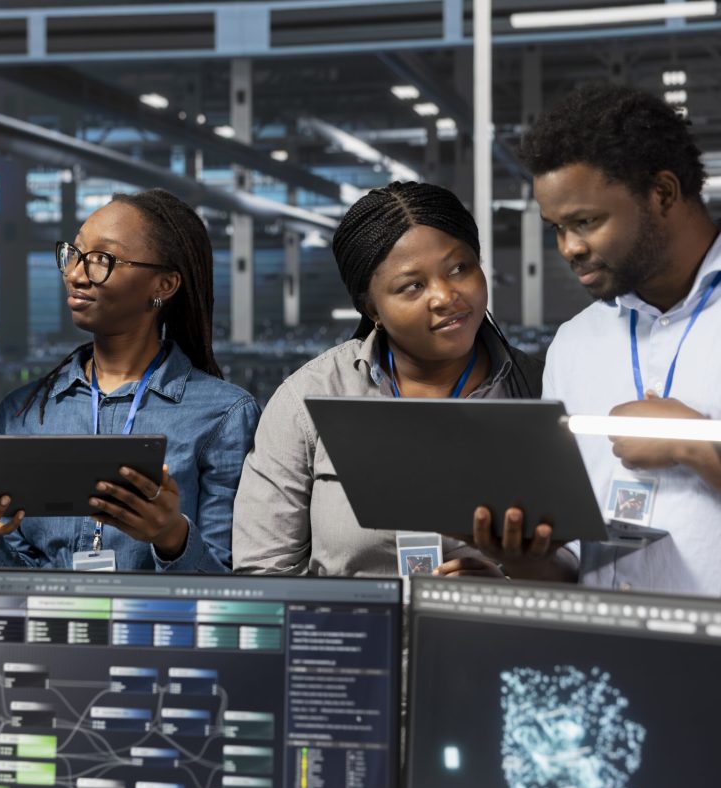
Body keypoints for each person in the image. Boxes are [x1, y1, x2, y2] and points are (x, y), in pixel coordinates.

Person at [233, 181, 570, 580]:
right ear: (371, 307)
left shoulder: (544, 391)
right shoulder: (307, 400)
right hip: (351, 635)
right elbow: (263, 570)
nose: (446, 296)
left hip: (496, 636)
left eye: (460, 268)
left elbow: (584, 565)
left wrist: (512, 586)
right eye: (413, 286)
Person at [0, 188, 260, 572]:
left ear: (164, 285)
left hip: (155, 628)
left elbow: (230, 584)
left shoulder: (223, 415)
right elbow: (11, 581)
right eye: (74, 254)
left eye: (100, 260)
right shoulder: (23, 413)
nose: (75, 274)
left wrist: (171, 536)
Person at [518, 82, 721, 596]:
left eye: (586, 221)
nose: (569, 247)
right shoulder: (573, 344)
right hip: (609, 655)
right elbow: (568, 558)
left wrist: (696, 445)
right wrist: (519, 556)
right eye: (556, 227)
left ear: (663, 194)